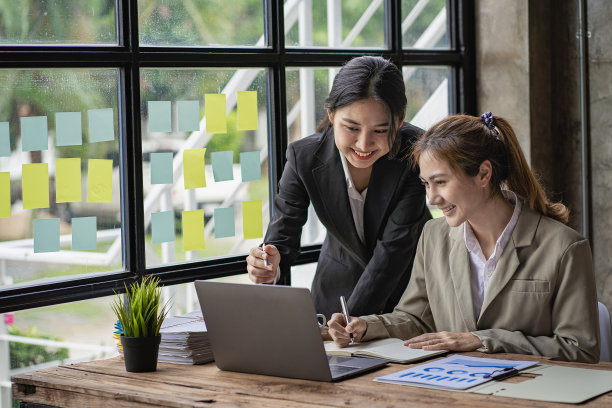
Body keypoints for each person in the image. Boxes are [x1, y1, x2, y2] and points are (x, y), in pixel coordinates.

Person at [328, 112, 600, 362]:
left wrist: (482, 340)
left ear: (483, 174)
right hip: (455, 387)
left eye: (441, 182)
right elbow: (415, 319)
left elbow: (579, 349)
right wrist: (365, 327)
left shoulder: (564, 247)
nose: (431, 198)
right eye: (426, 184)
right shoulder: (434, 236)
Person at [245, 56, 431, 318]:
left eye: (380, 130)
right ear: (331, 115)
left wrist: (349, 322)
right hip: (335, 297)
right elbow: (281, 237)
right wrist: (268, 264)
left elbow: (394, 251)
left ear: (399, 122)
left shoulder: (416, 151)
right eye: (351, 127)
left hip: (409, 300)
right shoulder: (304, 157)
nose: (364, 145)